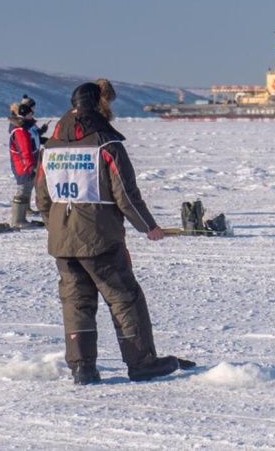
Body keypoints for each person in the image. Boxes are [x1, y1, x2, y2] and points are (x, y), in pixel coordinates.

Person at [35, 82, 192, 385]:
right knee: (124, 298)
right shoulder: (106, 145)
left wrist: (57, 226)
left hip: (61, 240)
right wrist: (149, 227)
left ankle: (82, 367)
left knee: (76, 300)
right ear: (100, 105)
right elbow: (126, 195)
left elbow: (42, 198)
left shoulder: (50, 147)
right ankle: (142, 361)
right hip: (100, 237)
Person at [7, 99, 42, 228]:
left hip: (25, 163)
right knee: (23, 189)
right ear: (26, 115)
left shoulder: (24, 128)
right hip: (22, 165)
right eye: (31, 113)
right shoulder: (20, 130)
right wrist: (30, 165)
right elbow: (25, 150)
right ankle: (18, 220)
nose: (32, 115)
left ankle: (22, 216)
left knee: (27, 188)